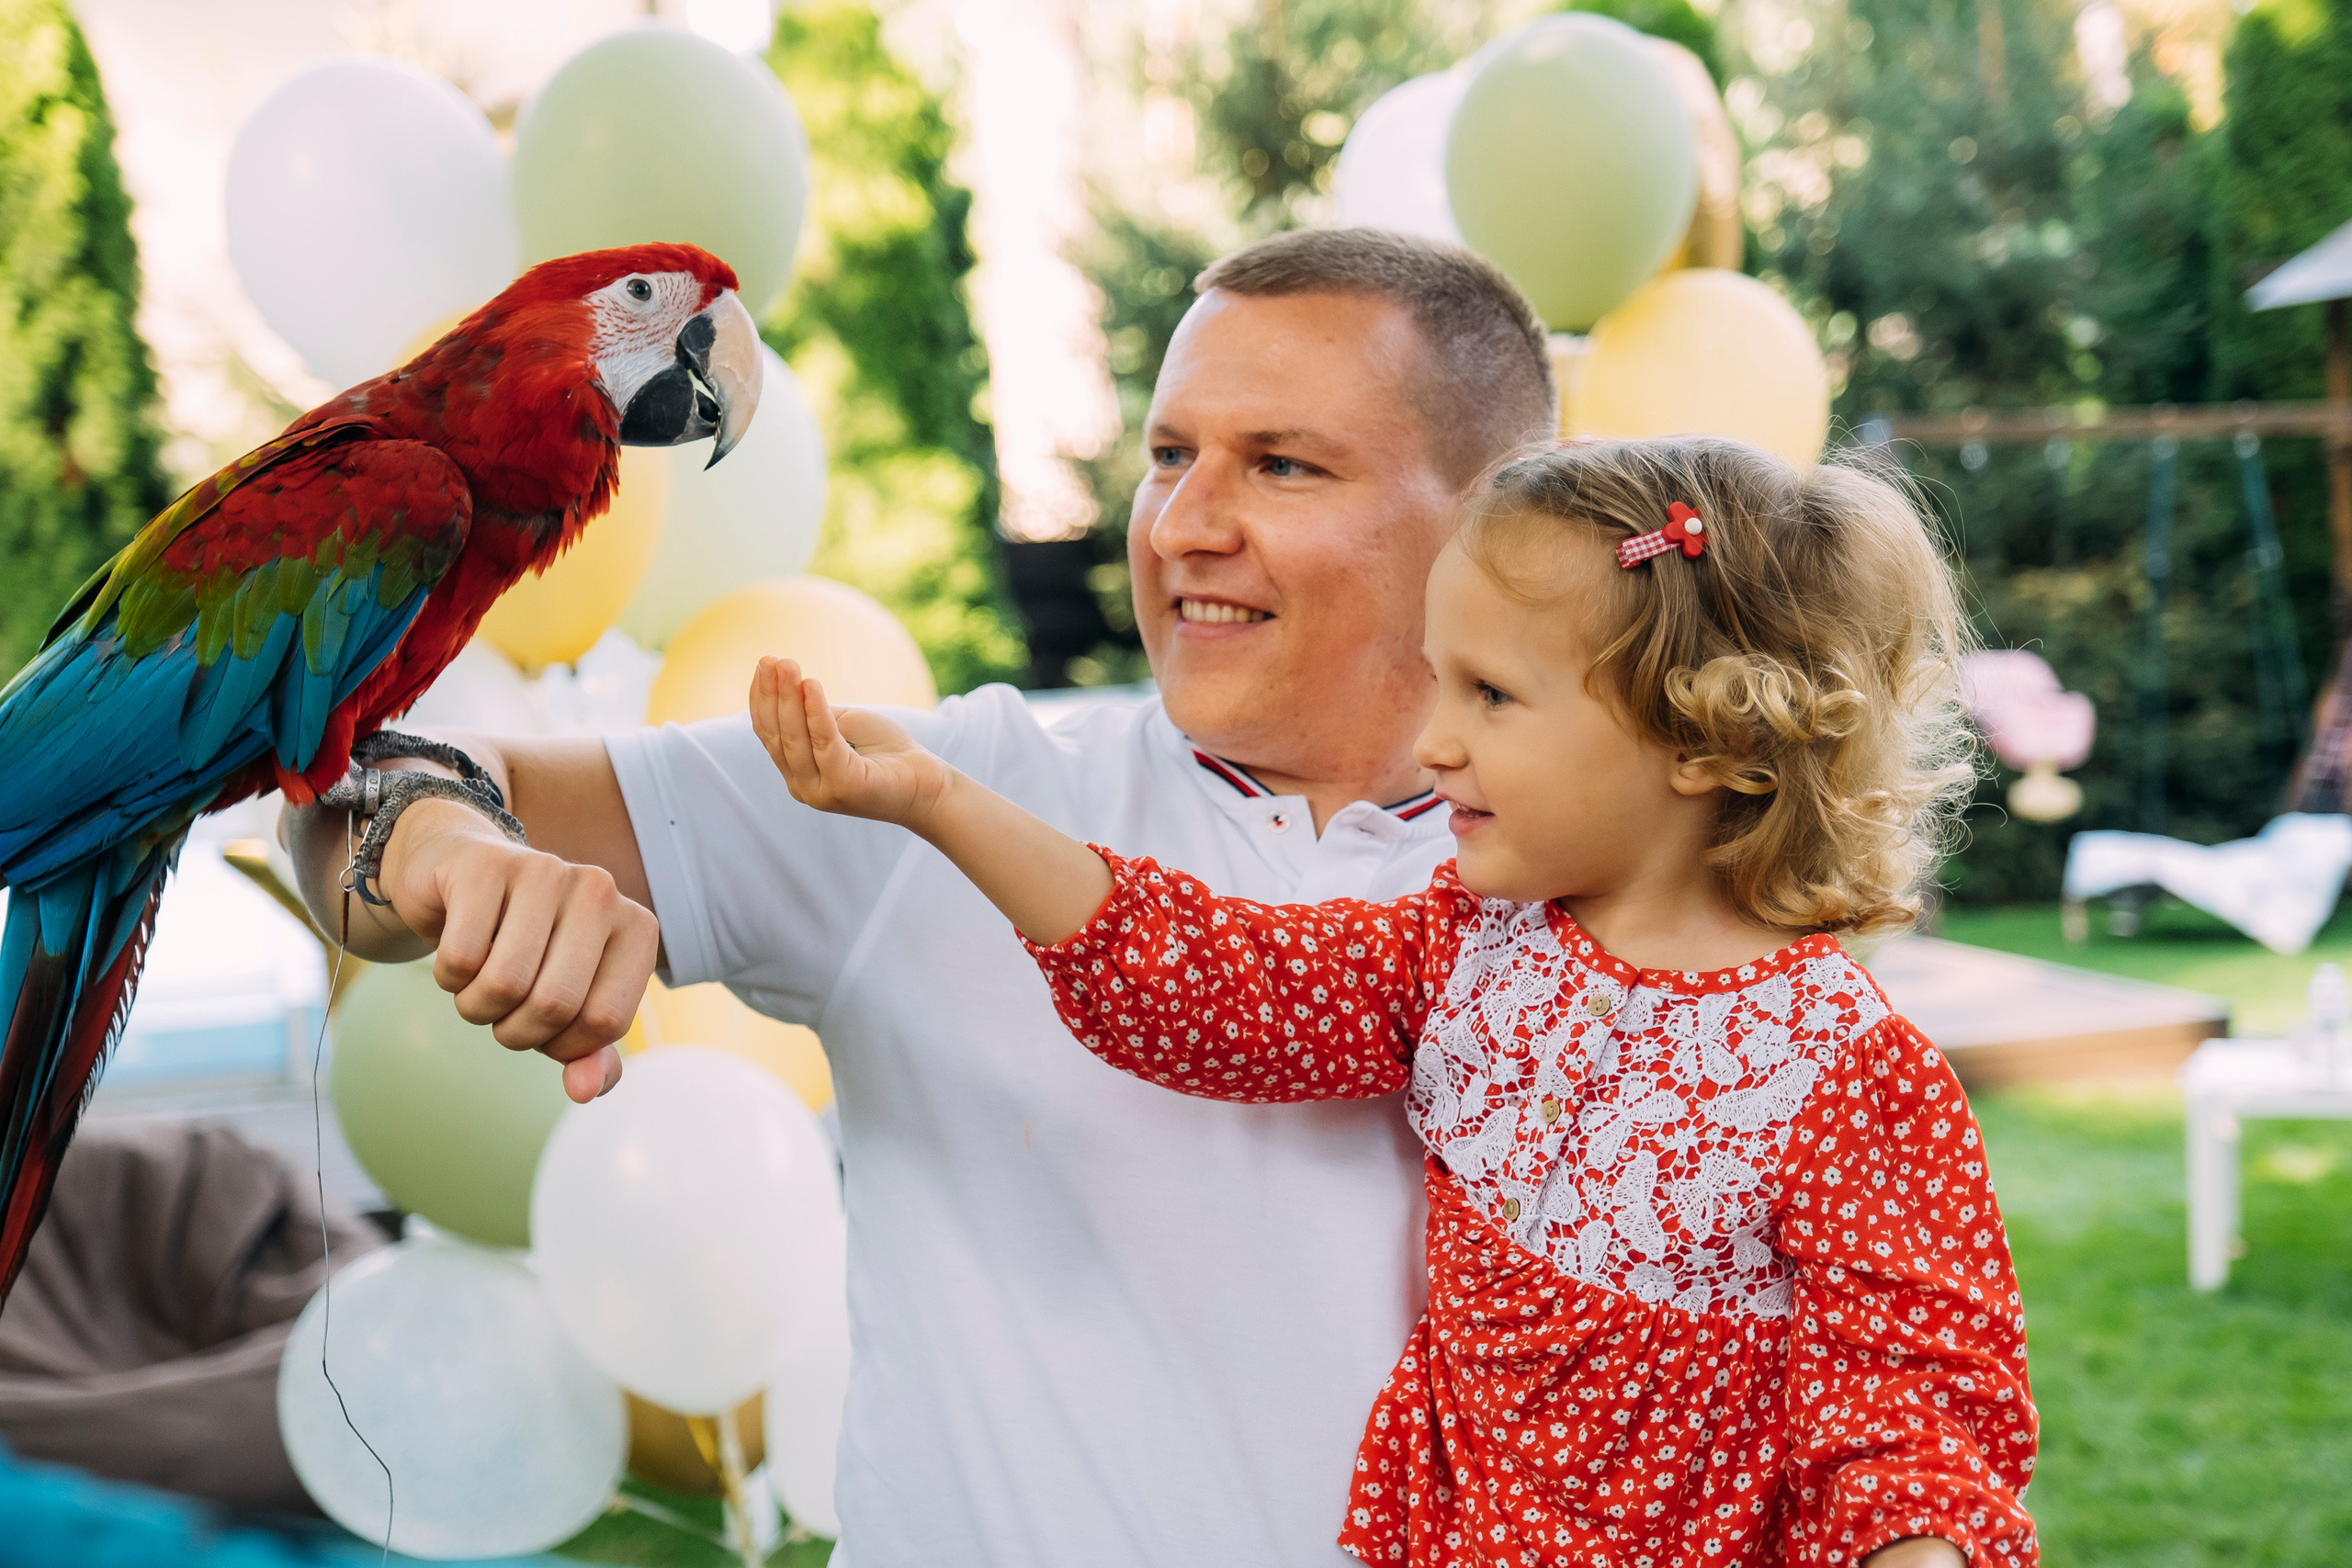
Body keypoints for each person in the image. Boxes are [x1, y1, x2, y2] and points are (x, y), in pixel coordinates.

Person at [283, 230, 1557, 1565]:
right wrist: (453, 856)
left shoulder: (1638, 895)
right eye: (1170, 456)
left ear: (1494, 521)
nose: (1183, 528)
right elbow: (345, 805)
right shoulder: (916, 795)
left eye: (1282, 465)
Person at [749, 434, 2041, 1568]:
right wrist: (939, 802)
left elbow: (1913, 1404)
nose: (1434, 741)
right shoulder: (1470, 951)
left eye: (1490, 695)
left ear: (1701, 738)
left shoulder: (1847, 1072)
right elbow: (1208, 981)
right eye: (1439, 681)